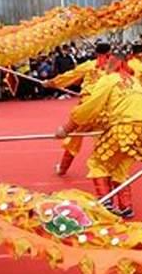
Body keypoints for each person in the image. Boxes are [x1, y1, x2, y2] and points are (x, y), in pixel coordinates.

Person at [56, 53, 142, 219]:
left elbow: (91, 107)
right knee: (120, 167)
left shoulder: (108, 80)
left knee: (97, 163)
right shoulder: (134, 80)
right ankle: (125, 206)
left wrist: (67, 128)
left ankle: (106, 203)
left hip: (122, 126)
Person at [45, 39, 112, 175]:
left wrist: (51, 83)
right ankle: (108, 168)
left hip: (87, 108)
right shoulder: (115, 68)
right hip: (106, 109)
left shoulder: (88, 65)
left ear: (95, 52)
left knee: (74, 138)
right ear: (110, 52)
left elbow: (70, 76)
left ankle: (63, 168)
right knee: (105, 138)